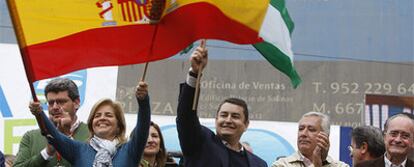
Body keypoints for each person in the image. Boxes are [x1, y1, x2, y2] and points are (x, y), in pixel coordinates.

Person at [176, 40, 267, 167]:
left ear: (246, 124)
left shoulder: (259, 164)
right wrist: (194, 74)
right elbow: (185, 116)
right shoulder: (200, 142)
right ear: (216, 119)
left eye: (235, 116)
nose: (228, 120)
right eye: (224, 115)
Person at [29, 81, 151, 166]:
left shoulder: (130, 150)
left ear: (119, 125)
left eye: (108, 115)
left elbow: (143, 127)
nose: (102, 118)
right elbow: (53, 136)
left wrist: (143, 100)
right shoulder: (79, 150)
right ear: (92, 124)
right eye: (97, 116)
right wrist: (39, 113)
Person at [14, 78, 89, 167]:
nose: (55, 107)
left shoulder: (92, 134)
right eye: (51, 103)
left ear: (76, 103)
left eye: (61, 102)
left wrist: (67, 138)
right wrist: (47, 153)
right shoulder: (31, 137)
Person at [272, 112, 349, 167]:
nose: (303, 134)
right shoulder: (281, 164)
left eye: (311, 129)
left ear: (325, 136)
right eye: (301, 129)